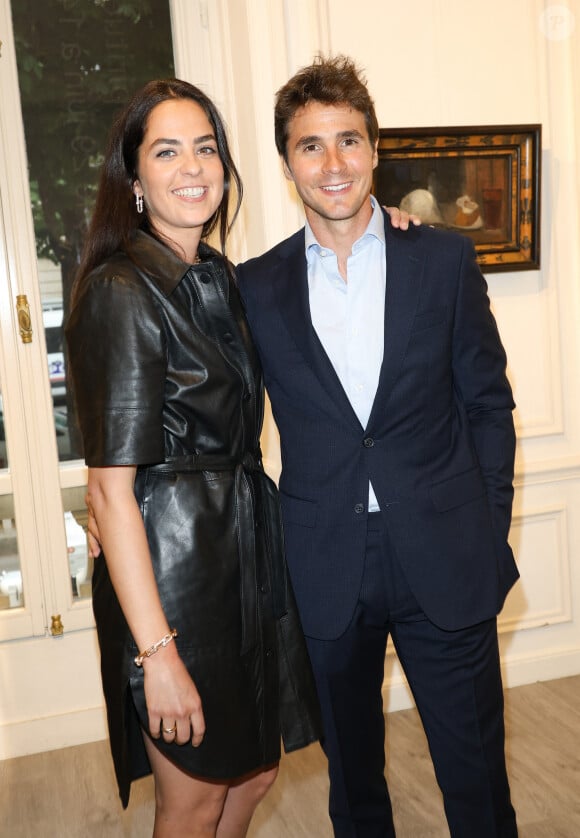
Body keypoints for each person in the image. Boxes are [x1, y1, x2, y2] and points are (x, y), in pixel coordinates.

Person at [236, 55, 520, 837]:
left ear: (375, 148)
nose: (334, 163)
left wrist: (484, 529)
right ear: (287, 162)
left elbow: (489, 407)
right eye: (310, 145)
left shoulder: (442, 261)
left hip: (444, 554)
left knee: (477, 781)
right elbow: (222, 422)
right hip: (326, 565)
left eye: (349, 141)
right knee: (353, 789)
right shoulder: (254, 288)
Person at [64, 78, 324, 838]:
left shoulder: (218, 278)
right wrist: (158, 656)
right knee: (195, 797)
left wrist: (390, 221)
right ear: (134, 178)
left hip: (244, 558)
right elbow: (110, 492)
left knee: (258, 770)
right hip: (175, 578)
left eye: (205, 148)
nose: (192, 167)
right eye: (167, 151)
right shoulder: (119, 287)